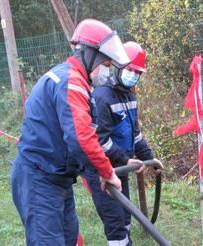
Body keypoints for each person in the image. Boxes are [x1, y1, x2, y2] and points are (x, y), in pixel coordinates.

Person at [10, 19, 132, 246]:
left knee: (69, 239)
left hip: (58, 177)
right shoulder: (70, 81)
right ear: (89, 55)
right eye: (105, 65)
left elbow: (74, 139)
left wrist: (96, 171)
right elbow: (81, 137)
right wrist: (107, 172)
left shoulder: (75, 81)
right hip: (40, 177)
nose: (106, 72)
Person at [81, 41, 164, 246]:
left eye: (137, 72)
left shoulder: (129, 97)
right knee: (115, 220)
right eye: (129, 70)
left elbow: (134, 134)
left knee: (125, 216)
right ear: (117, 67)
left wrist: (149, 158)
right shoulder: (102, 97)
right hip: (102, 170)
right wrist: (127, 159)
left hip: (121, 168)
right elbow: (101, 140)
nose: (133, 76)